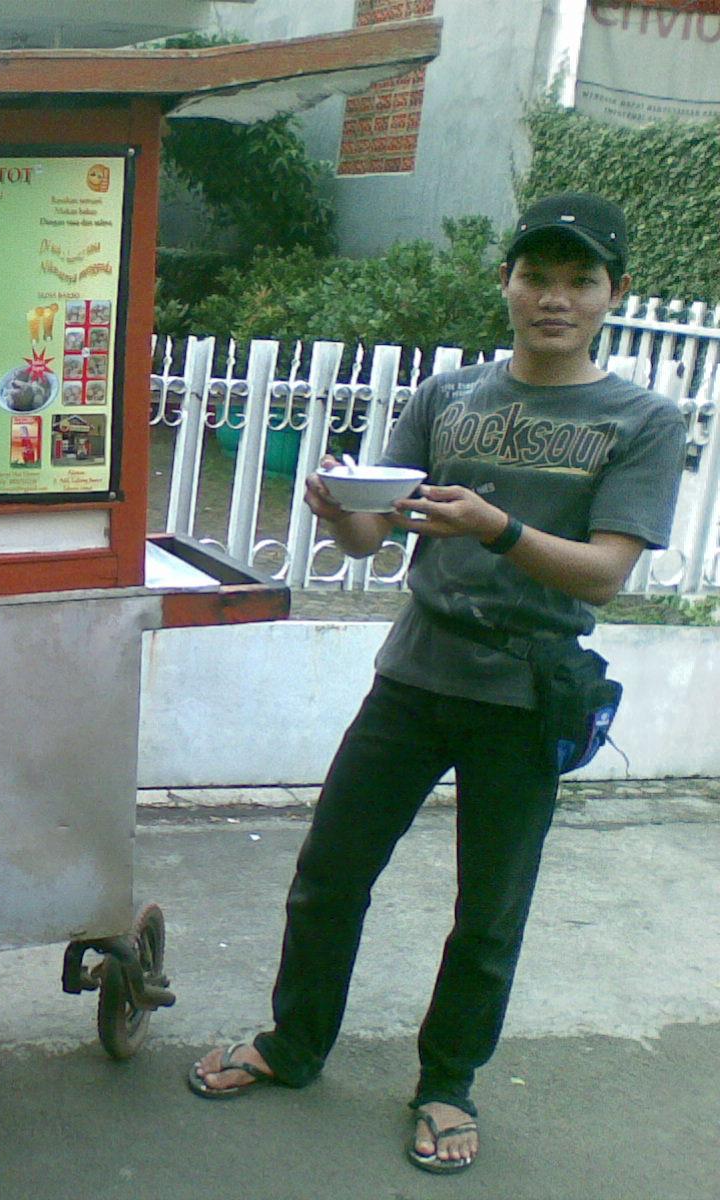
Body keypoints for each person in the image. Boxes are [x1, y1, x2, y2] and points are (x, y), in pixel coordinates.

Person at [186, 193, 687, 1174]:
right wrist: (336, 508)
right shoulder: (450, 398)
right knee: (327, 879)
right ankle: (293, 1046)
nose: (554, 297)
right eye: (535, 275)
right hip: (414, 676)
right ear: (505, 282)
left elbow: (603, 571)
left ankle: (446, 1085)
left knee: (487, 913)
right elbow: (377, 541)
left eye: (578, 280)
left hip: (527, 695)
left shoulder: (641, 420)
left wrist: (494, 527)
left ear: (613, 295)